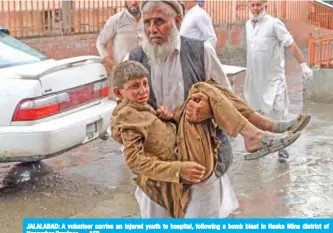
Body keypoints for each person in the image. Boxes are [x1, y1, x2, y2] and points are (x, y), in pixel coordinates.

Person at [122, 0, 307, 218]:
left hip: (200, 159)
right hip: (158, 167)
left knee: (208, 92)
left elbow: (226, 98)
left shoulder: (201, 51)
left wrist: (207, 111)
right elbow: (126, 118)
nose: (152, 29)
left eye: (160, 21)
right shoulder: (133, 61)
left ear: (178, 21)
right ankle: (259, 131)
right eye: (147, 22)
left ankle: (262, 129)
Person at [110, 60, 304, 218]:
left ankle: (265, 127)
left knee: (207, 87)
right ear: (119, 92)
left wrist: (167, 119)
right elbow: (133, 160)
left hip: (182, 145)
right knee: (201, 88)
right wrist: (178, 170)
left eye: (145, 83)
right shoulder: (126, 115)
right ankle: (260, 132)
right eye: (135, 86)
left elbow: (154, 136)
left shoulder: (139, 108)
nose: (143, 91)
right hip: (183, 157)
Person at [244, 0, 313, 159]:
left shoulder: (274, 24)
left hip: (274, 79)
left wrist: (303, 64)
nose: (255, 8)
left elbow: (291, 44)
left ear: (265, 5)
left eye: (258, 5)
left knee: (278, 112)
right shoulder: (248, 25)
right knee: (255, 113)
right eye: (252, 5)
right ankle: (259, 145)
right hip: (254, 79)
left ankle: (283, 148)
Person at [96, 0, 143, 73]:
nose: (133, 2)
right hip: (125, 75)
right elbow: (100, 43)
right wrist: (113, 67)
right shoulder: (116, 20)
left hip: (147, 72)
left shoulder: (148, 20)